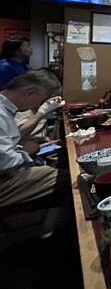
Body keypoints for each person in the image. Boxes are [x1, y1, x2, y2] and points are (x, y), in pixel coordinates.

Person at [0, 69, 67, 209]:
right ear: (30, 93)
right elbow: (6, 163)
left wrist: (38, 147)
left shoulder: (6, 109)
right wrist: (27, 151)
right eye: (41, 101)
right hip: (5, 179)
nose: (38, 106)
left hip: (9, 171)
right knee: (69, 178)